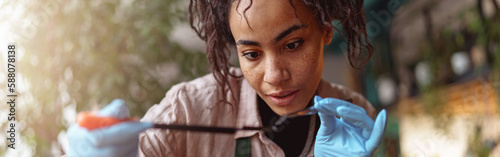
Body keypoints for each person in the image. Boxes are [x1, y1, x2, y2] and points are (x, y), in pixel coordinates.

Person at [67, 0, 387, 156]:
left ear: (326, 31)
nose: (275, 76)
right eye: (251, 54)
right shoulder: (190, 109)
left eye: (292, 45)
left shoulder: (354, 118)